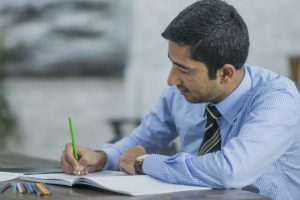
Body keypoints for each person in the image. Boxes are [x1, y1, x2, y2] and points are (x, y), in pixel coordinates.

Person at [60, 0, 300, 199]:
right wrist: (102, 157)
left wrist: (143, 163)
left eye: (184, 70)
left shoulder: (278, 99)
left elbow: (229, 172)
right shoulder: (183, 92)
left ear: (225, 73)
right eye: (172, 64)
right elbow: (141, 140)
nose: (171, 80)